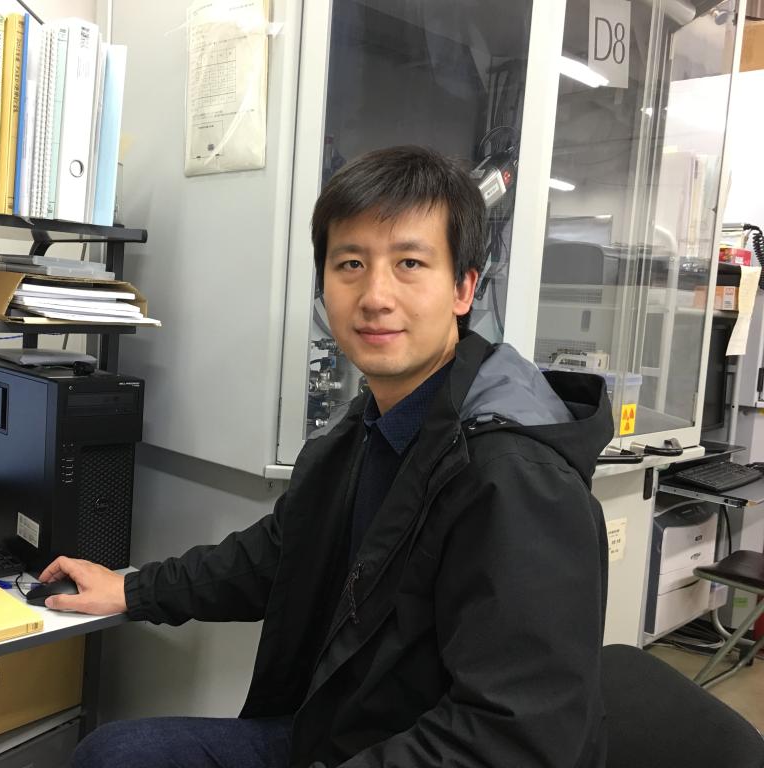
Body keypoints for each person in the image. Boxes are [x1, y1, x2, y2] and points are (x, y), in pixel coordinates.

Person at [41, 145, 614, 768]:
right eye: (351, 264)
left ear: (462, 288)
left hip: (407, 750)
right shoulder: (369, 426)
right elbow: (278, 555)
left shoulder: (517, 481)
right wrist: (133, 590)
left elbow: (512, 741)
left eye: (410, 263)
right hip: (336, 731)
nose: (375, 295)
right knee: (116, 754)